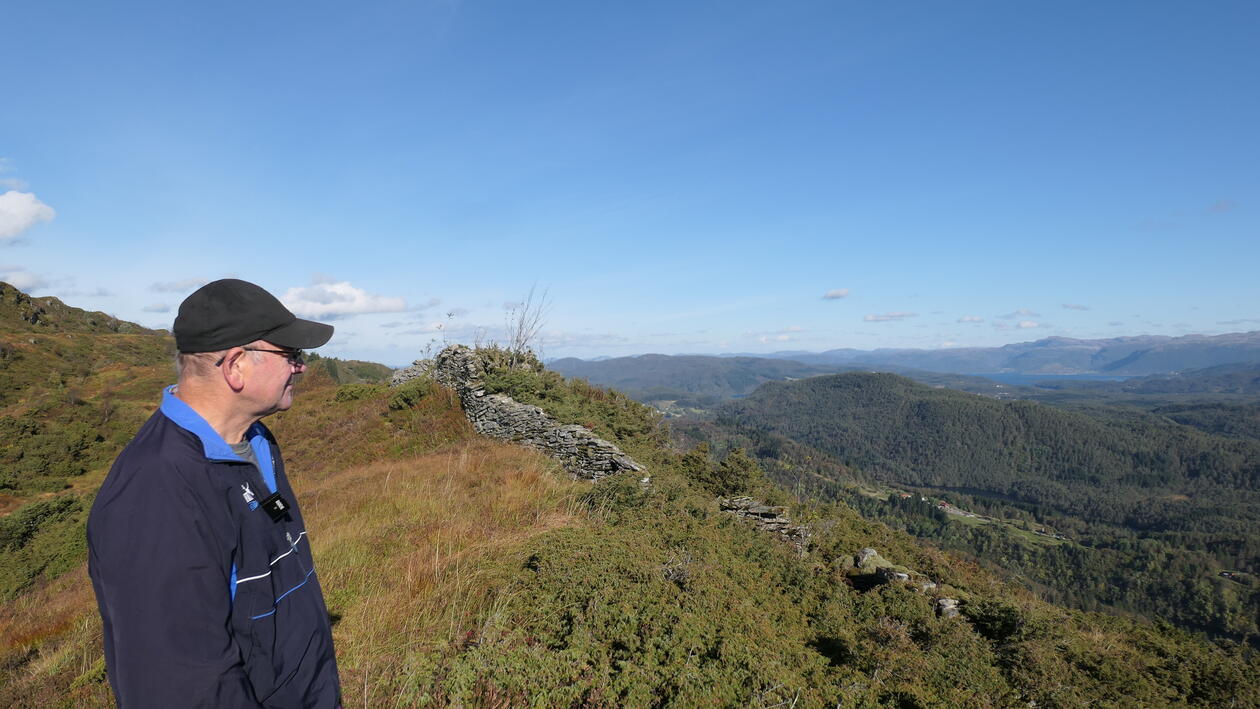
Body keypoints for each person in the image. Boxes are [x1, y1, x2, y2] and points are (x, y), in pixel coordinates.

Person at [88, 279, 342, 708]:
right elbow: (179, 685)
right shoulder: (156, 492)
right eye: (291, 355)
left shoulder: (256, 441)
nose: (300, 367)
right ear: (236, 365)